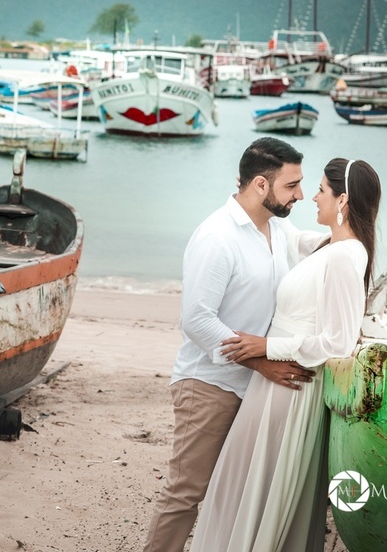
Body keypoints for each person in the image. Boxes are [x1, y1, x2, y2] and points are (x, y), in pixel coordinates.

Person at [187, 158, 382, 552]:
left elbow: (338, 342)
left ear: (342, 200)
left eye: (321, 191)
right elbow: (287, 231)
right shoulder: (331, 246)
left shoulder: (347, 256)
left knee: (261, 483)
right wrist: (260, 195)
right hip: (275, 382)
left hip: (291, 384)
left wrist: (266, 347)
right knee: (244, 479)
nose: (311, 195)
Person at [142, 138, 323, 552]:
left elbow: (304, 243)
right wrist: (261, 361)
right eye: (292, 186)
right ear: (261, 184)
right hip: (210, 384)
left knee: (236, 491)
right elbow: (197, 320)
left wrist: (347, 238)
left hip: (253, 386)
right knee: (186, 493)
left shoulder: (276, 224)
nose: (299, 195)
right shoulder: (216, 237)